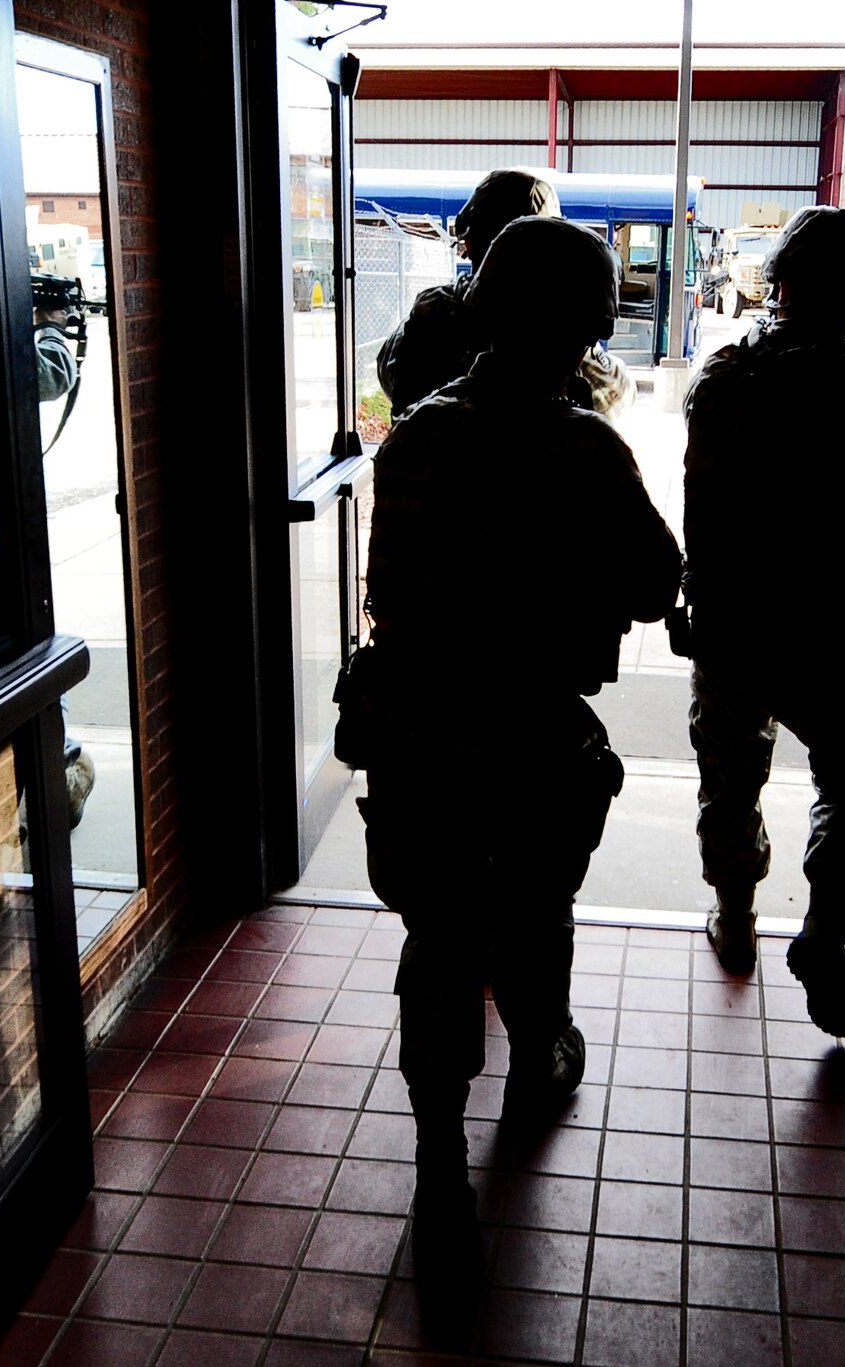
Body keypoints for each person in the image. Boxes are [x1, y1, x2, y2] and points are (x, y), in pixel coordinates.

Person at [350, 215, 681, 1331]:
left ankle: (439, 1158)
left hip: (422, 735)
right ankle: (540, 1047)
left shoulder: (416, 438)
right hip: (534, 734)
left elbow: (389, 592)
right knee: (534, 914)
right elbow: (652, 581)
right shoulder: (584, 448)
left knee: (437, 937)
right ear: (587, 323)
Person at [681, 204, 845, 1037]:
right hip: (825, 631)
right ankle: (824, 935)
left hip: (732, 627)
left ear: (781, 281)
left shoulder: (721, 379)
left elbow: (701, 517)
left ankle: (736, 917)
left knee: (731, 779)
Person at [375, 168, 633, 416]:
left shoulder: (433, 312)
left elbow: (389, 373)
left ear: (470, 242)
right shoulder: (562, 328)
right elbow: (616, 395)